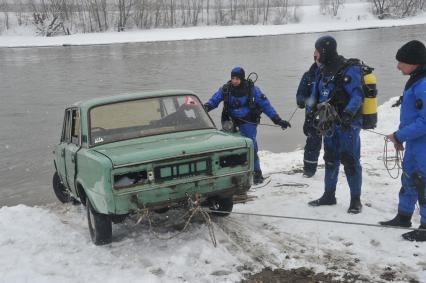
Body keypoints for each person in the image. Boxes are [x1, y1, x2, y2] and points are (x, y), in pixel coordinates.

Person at [204, 67, 291, 185]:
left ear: (242, 78)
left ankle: (257, 173)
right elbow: (214, 100)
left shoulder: (253, 90)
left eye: (237, 78)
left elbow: (266, 105)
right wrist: (205, 108)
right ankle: (231, 173)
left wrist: (278, 120)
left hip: (248, 123)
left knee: (252, 148)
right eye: (232, 78)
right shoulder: (226, 89)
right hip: (230, 123)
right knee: (229, 148)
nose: (234, 81)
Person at [307, 35, 364, 214]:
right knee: (330, 159)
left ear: (324, 51)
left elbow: (357, 95)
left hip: (347, 124)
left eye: (316, 51)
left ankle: (356, 200)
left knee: (350, 161)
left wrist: (348, 113)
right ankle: (329, 195)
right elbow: (315, 96)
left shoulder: (349, 69)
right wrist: (309, 118)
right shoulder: (321, 71)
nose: (314, 55)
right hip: (329, 124)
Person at [379, 40, 426, 242]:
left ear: (415, 62)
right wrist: (401, 135)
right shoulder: (416, 78)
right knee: (408, 179)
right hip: (415, 144)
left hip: (423, 146)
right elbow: (411, 115)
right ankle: (403, 217)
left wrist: (399, 136)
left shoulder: (424, 84)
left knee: (422, 184)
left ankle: (425, 228)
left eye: (402, 62)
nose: (398, 66)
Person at [296, 60, 321, 178]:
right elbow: (300, 94)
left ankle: (333, 166)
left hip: (330, 114)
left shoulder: (334, 73)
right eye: (316, 56)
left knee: (333, 143)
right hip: (312, 115)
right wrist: (301, 101)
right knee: (312, 143)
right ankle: (309, 170)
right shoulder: (308, 75)